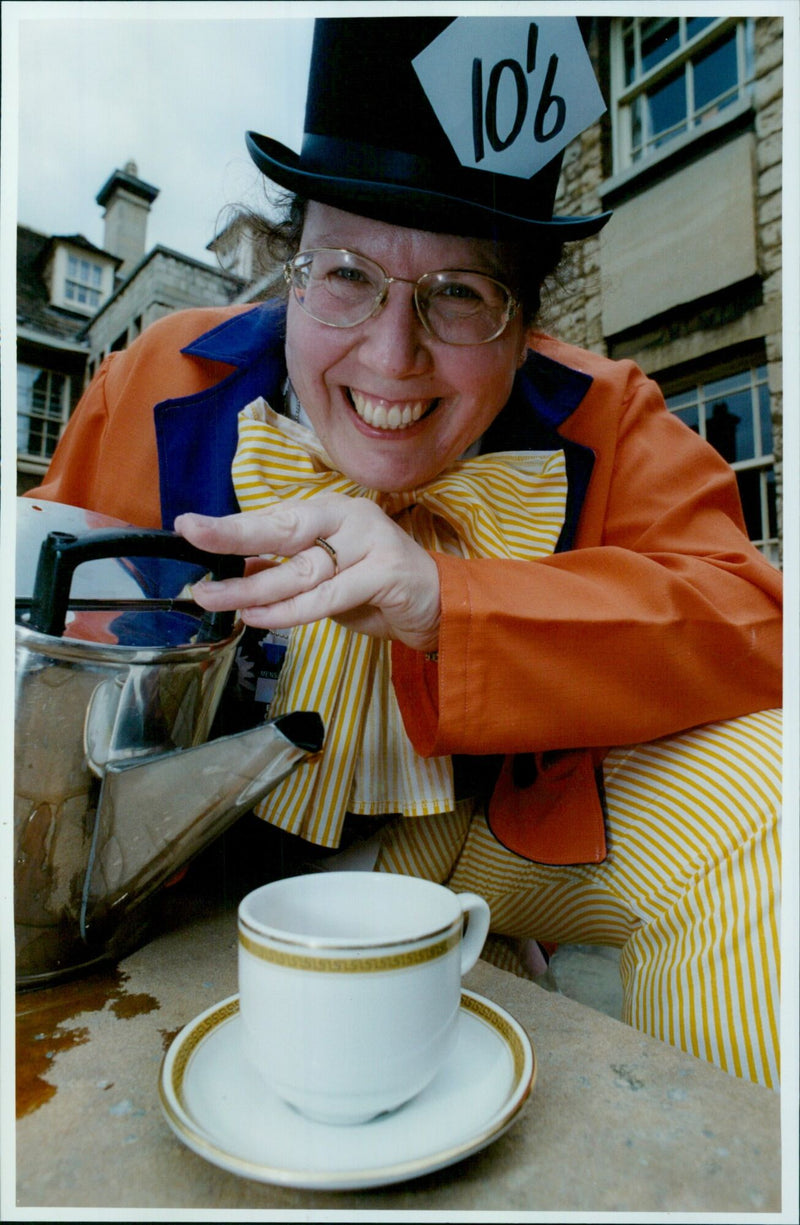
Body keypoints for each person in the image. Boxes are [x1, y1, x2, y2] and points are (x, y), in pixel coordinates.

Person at [31, 16, 782, 1088]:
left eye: (460, 295)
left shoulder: (608, 416)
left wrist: (450, 603)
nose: (392, 356)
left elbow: (759, 630)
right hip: (192, 864)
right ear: (290, 266)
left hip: (491, 838)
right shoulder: (151, 382)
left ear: (526, 324)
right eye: (344, 273)